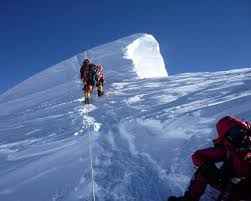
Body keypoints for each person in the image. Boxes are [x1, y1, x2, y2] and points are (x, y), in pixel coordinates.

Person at [168, 116, 251, 201]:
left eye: (238, 130)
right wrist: (211, 169)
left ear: (243, 127)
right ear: (227, 138)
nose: (239, 135)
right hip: (228, 182)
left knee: (233, 187)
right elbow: (197, 156)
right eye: (233, 134)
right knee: (204, 170)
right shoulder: (229, 148)